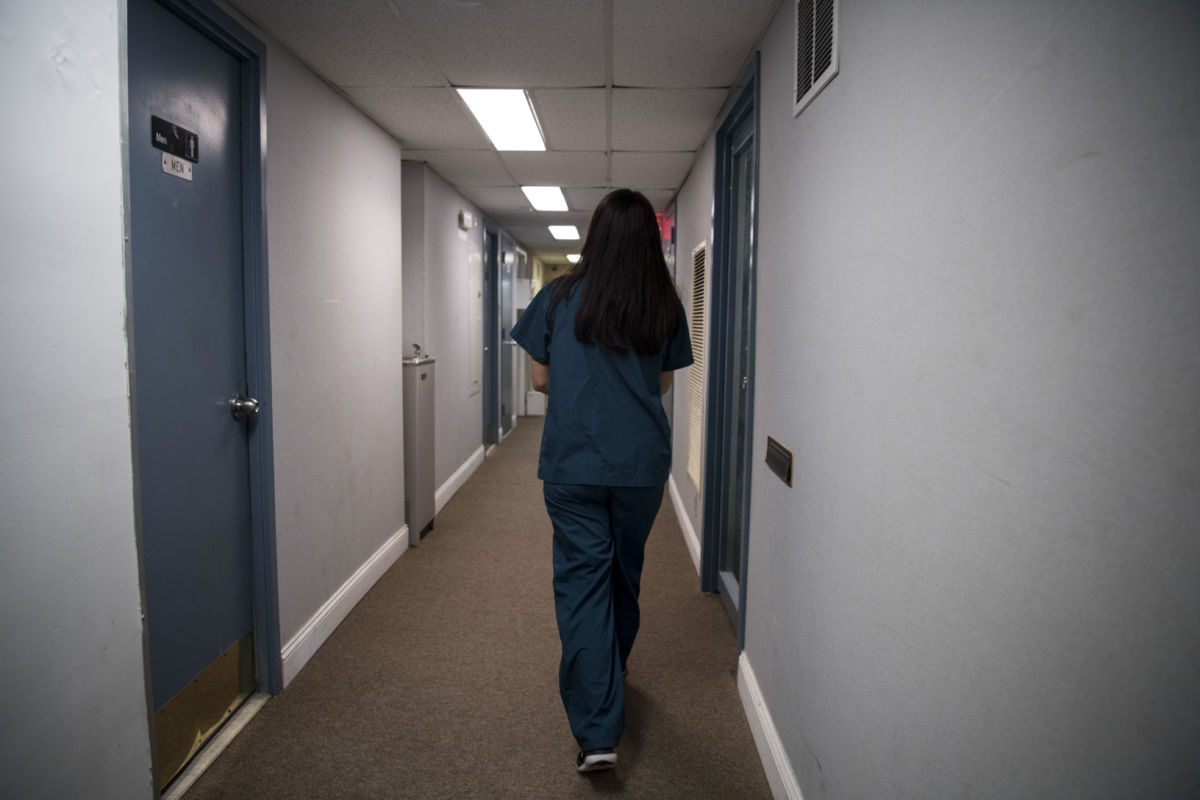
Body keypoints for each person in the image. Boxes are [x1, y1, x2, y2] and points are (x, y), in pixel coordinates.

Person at [511, 189, 694, 774]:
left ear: (595, 236)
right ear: (648, 238)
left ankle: (597, 733)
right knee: (623, 573)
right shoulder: (661, 300)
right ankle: (609, 673)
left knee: (582, 581)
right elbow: (662, 385)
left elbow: (540, 382)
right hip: (639, 467)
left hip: (573, 465)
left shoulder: (560, 294)